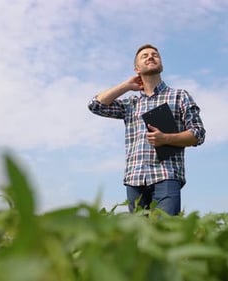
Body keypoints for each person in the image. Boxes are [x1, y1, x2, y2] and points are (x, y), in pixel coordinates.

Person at [87, 44, 205, 215]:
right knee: (138, 238)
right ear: (137, 69)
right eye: (145, 56)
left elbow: (198, 133)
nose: (150, 57)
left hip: (166, 176)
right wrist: (126, 85)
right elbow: (95, 105)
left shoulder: (179, 96)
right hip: (135, 179)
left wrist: (165, 138)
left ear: (161, 64)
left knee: (165, 233)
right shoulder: (130, 104)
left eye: (155, 55)